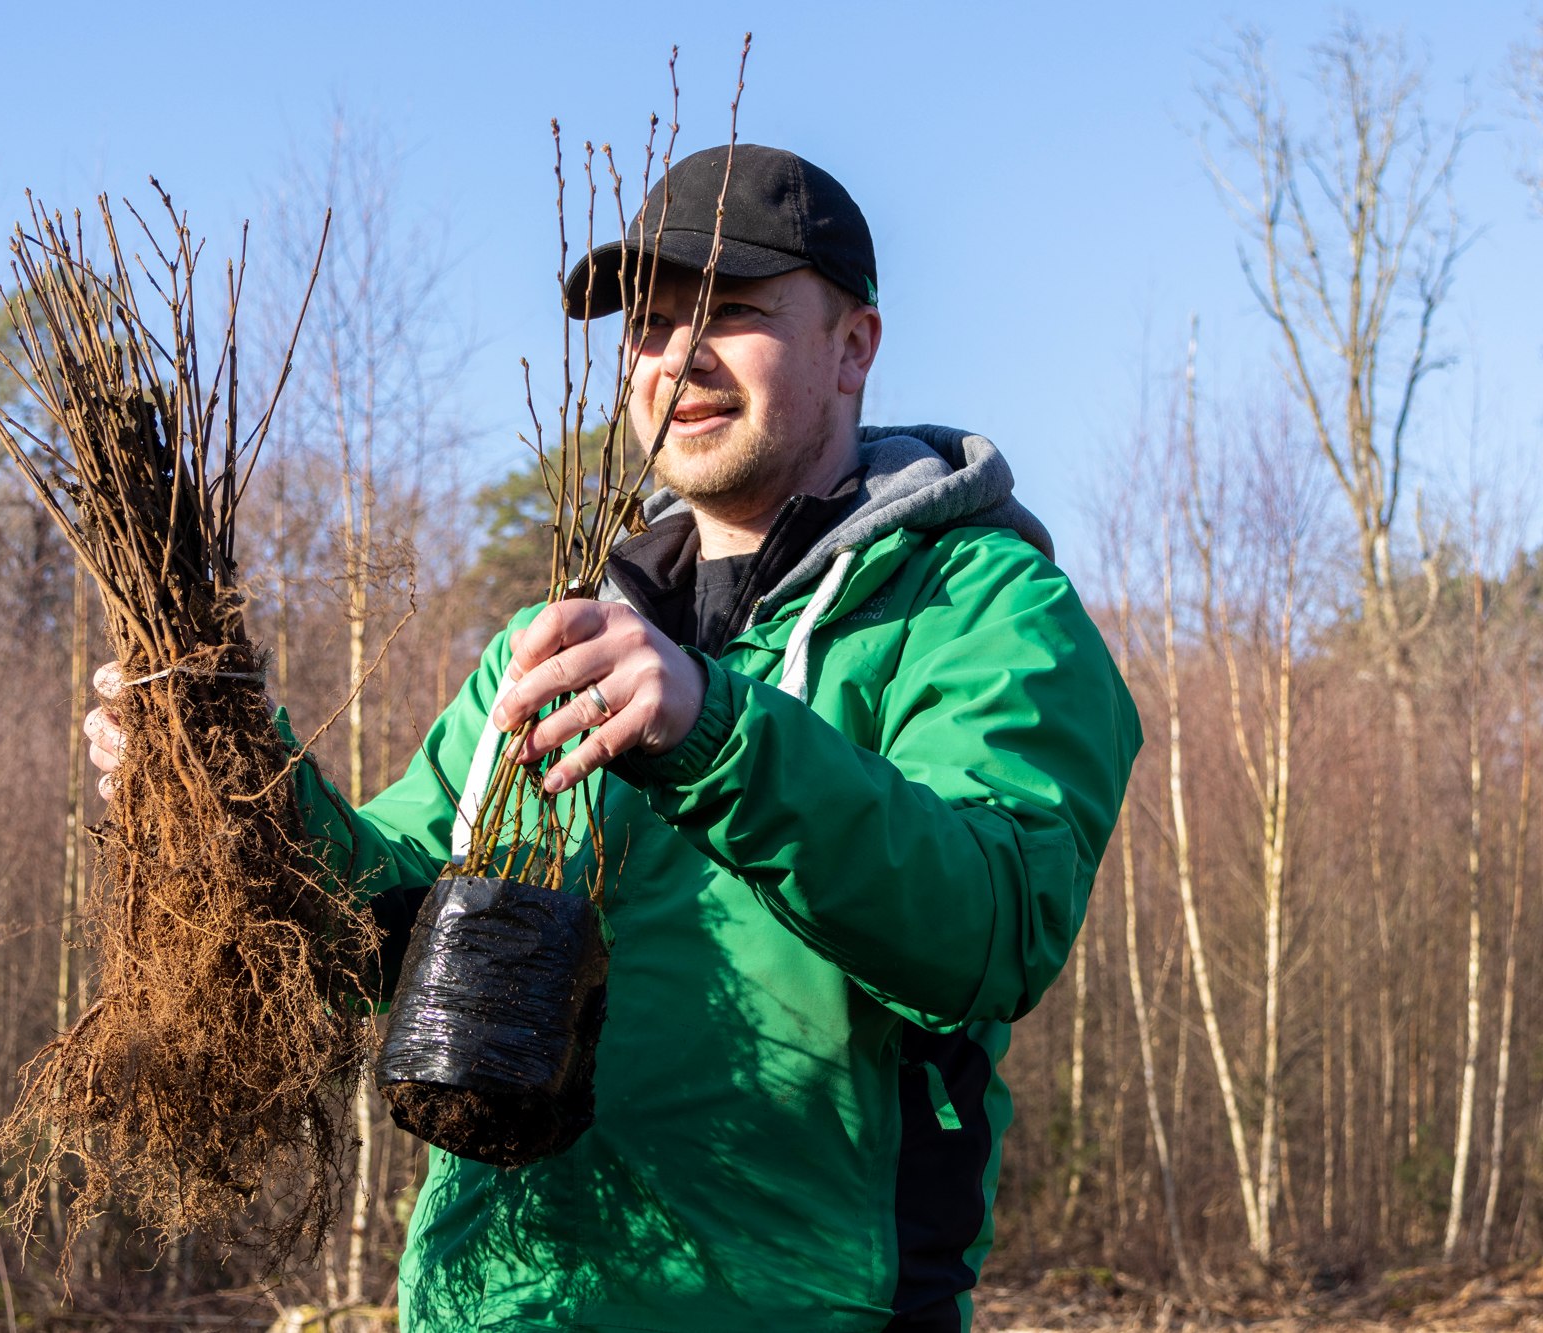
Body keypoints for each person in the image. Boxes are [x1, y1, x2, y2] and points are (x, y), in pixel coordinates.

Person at [86, 144, 1140, 1332]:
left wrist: (713, 727)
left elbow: (995, 924)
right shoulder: (560, 637)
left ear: (855, 344)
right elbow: (387, 928)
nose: (676, 357)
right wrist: (238, 799)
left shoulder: (980, 611)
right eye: (646, 325)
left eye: (732, 313)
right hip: (492, 1308)